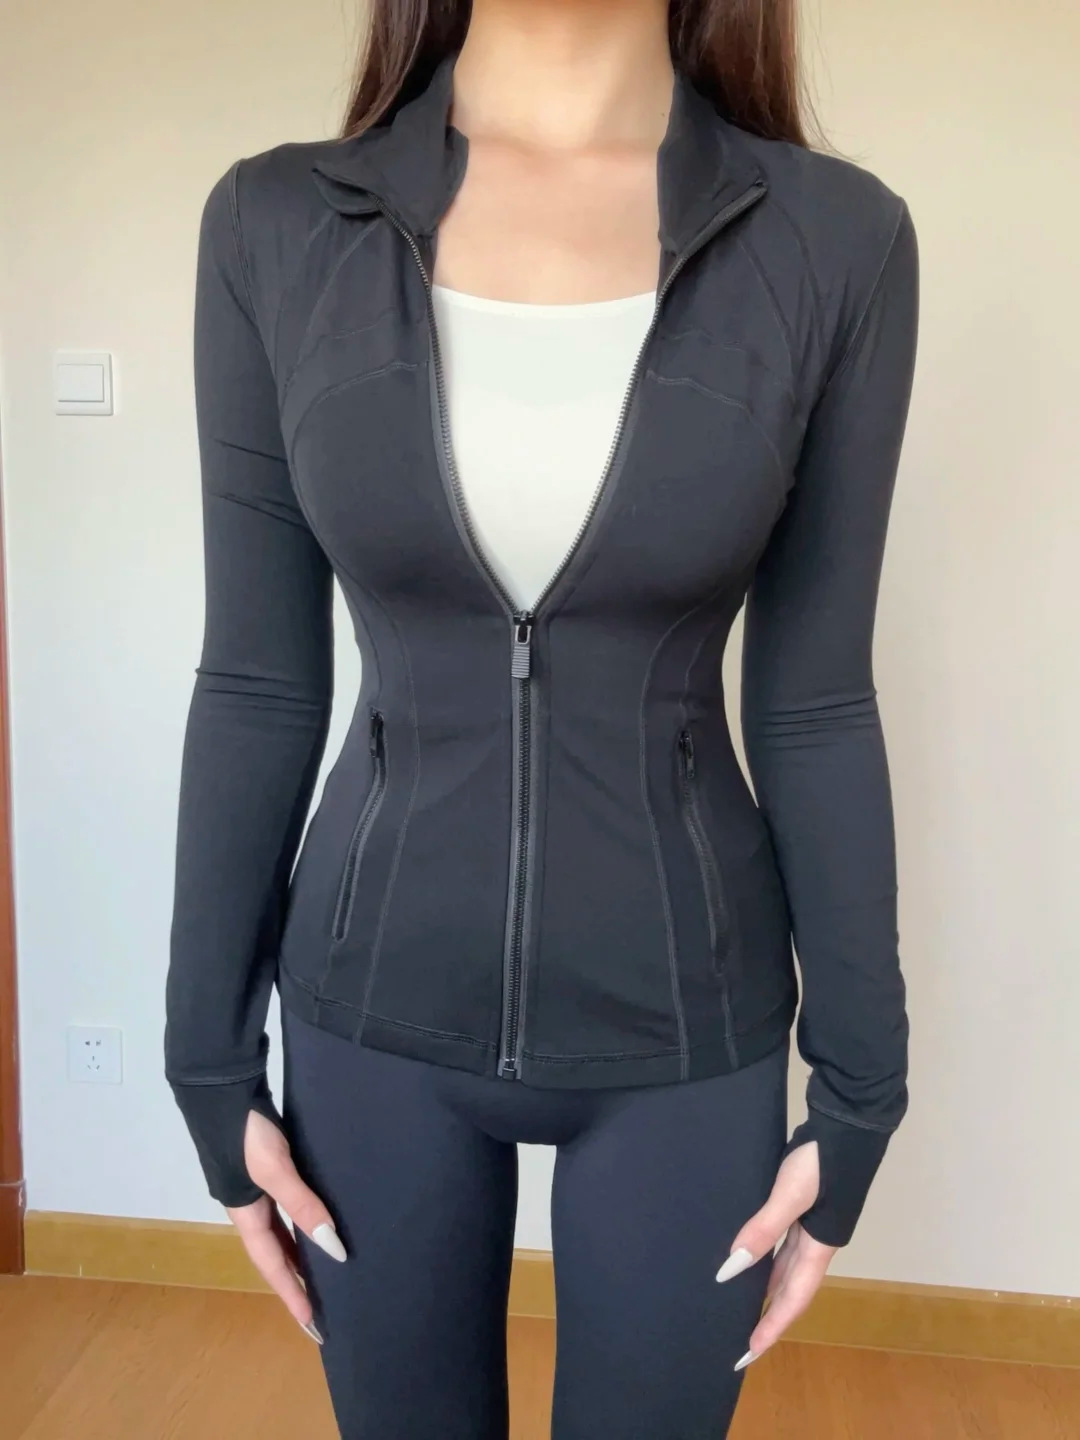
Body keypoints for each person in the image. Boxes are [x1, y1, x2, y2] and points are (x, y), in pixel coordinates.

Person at [163, 0, 920, 1434]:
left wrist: (862, 1091)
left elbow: (817, 702)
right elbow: (259, 680)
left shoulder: (835, 240)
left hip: (688, 1030)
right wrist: (206, 1056)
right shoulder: (276, 225)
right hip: (368, 1016)